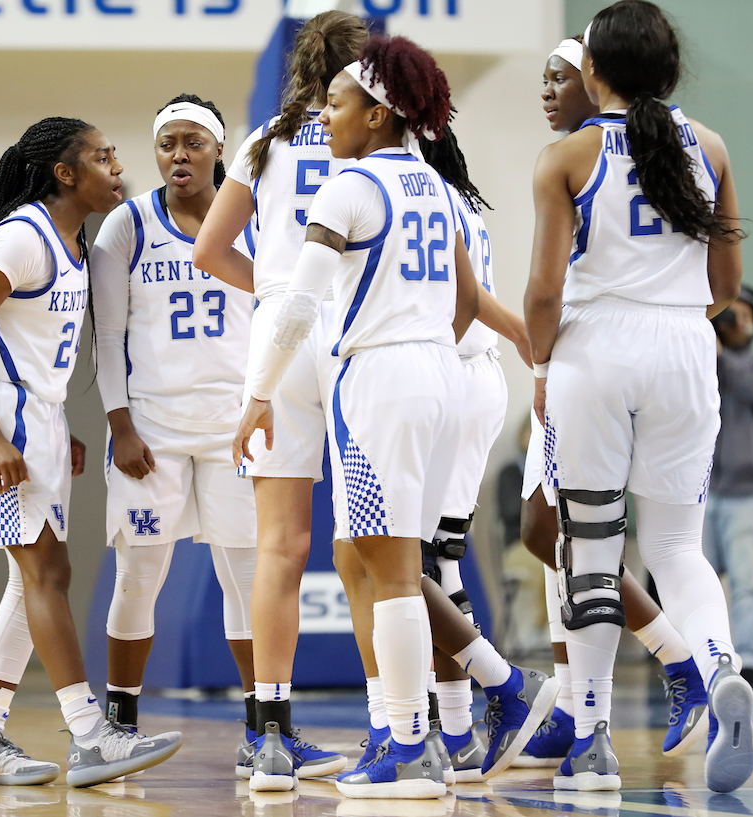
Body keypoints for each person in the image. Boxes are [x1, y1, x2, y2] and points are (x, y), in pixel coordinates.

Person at [236, 35, 555, 800]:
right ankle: (408, 730)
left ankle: (409, 743)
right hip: (441, 375)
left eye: (340, 105)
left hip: (378, 379)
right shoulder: (441, 189)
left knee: (391, 571)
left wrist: (256, 395)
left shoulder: (349, 190)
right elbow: (463, 301)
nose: (330, 118)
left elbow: (298, 306)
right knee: (376, 559)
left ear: (377, 115)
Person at [524, 0, 752, 793]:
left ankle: (591, 740)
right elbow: (727, 288)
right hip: (686, 347)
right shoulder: (712, 146)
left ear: (592, 72)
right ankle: (721, 665)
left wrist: (545, 367)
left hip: (595, 347)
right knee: (676, 549)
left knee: (588, 548)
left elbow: (544, 293)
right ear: (671, 68)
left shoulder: (567, 158)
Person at [0, 117, 183, 788]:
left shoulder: (72, 240)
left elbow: (29, 346)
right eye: (103, 157)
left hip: (33, 415)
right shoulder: (22, 237)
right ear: (66, 172)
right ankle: (90, 732)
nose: (117, 168)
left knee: (32, 577)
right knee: (46, 570)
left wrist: (53, 425)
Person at [193, 10, 367, 790]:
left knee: (279, 546)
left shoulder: (263, 140)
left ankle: (268, 732)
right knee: (384, 536)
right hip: (359, 324)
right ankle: (412, 720)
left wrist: (273, 288)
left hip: (277, 332)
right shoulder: (373, 132)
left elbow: (207, 248)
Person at [90, 94, 259, 752]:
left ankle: (263, 727)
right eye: (167, 144)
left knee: (244, 575)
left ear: (219, 149)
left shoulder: (253, 217)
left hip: (233, 426)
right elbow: (107, 338)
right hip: (151, 432)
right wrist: (119, 424)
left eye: (192, 141)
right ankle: (120, 724)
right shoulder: (125, 226)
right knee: (140, 574)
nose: (178, 154)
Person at [705, 286, 753, 684]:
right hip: (703, 492)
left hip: (747, 495)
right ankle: (701, 658)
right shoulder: (701, 364)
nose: (736, 323)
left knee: (745, 581)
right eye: (729, 315)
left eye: (744, 316)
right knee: (700, 581)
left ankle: (749, 657)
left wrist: (722, 356)